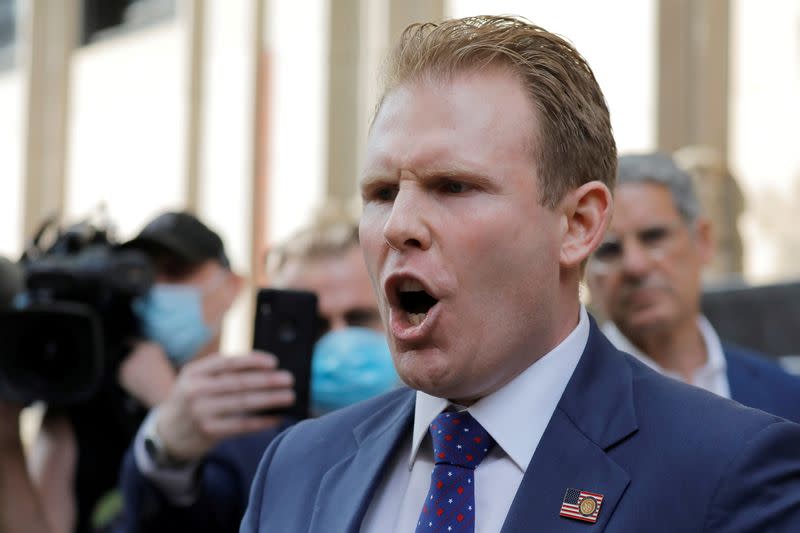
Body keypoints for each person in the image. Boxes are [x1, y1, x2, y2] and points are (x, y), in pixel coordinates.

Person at [241, 15, 800, 532]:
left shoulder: (727, 471)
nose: (398, 226)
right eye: (382, 192)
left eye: (453, 186)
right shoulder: (297, 469)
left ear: (578, 224)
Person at [115, 211, 398, 533]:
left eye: (359, 318)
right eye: (314, 325)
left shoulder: (446, 433)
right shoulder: (241, 446)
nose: (338, 339)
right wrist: (168, 453)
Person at [30, 211, 242, 533]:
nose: (158, 288)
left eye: (175, 271)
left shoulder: (255, 400)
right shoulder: (90, 407)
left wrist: (168, 404)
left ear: (232, 287)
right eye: (145, 272)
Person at [586, 153, 800, 422]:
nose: (635, 265)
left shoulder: (785, 393)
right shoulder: (565, 406)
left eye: (654, 236)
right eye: (609, 249)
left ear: (703, 240)